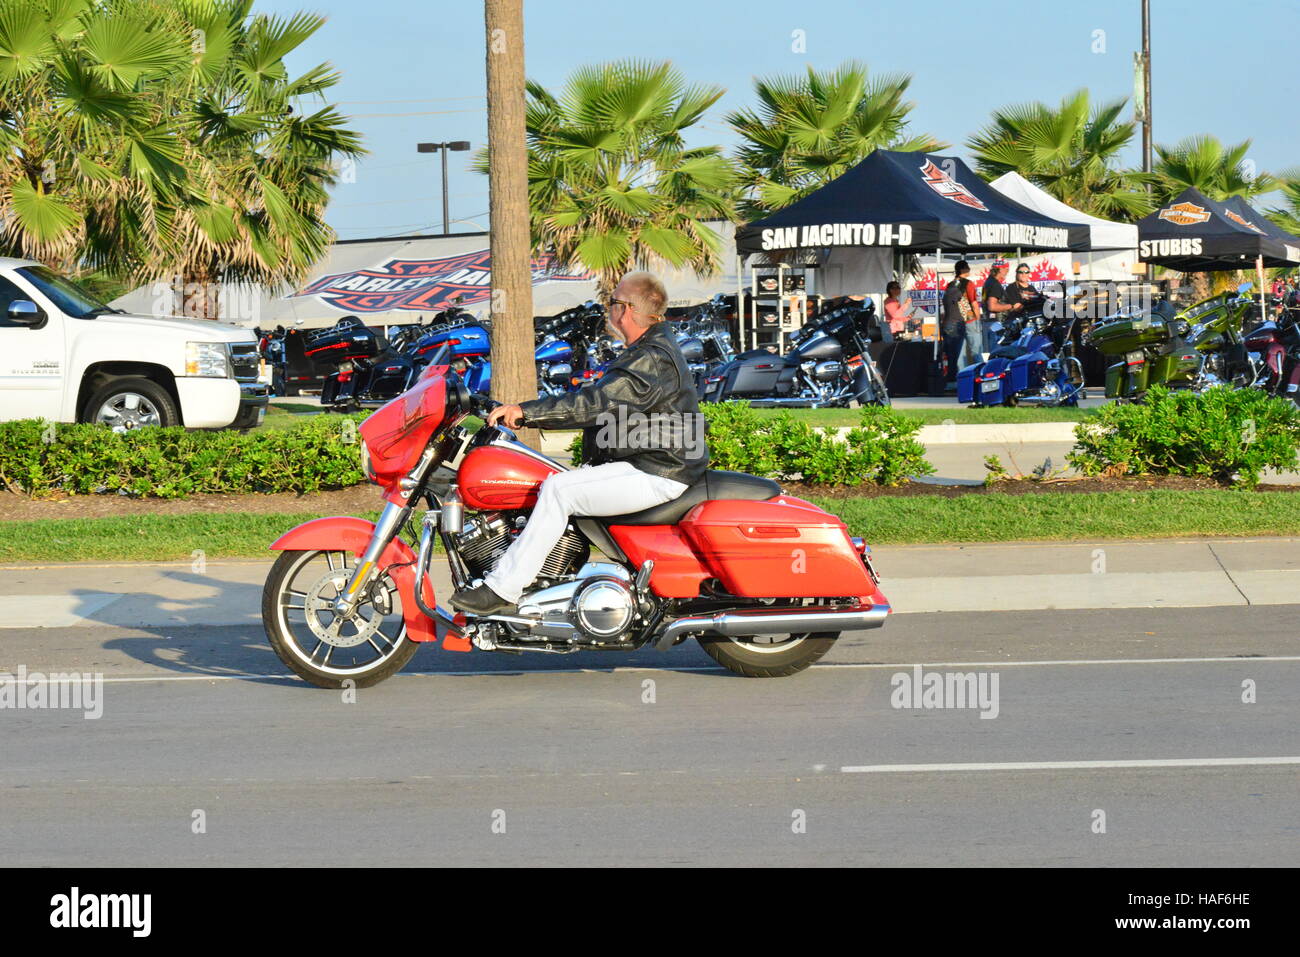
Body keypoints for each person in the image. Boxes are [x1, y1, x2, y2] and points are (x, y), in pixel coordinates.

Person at [450, 271, 709, 616]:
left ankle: (503, 589)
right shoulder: (648, 351)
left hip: (659, 471)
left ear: (626, 309)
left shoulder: (651, 358)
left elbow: (596, 404)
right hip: (652, 464)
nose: (607, 309)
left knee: (560, 489)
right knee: (561, 483)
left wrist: (525, 412)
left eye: (611, 302)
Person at [941, 261, 975, 381]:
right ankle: (962, 380)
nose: (969, 269)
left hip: (947, 322)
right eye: (968, 268)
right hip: (960, 322)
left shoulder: (949, 285)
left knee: (951, 355)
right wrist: (977, 319)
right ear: (963, 270)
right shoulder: (968, 284)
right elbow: (973, 303)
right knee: (962, 354)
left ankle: (951, 381)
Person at [981, 261, 1013, 353]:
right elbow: (992, 306)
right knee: (998, 354)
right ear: (1000, 269)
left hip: (989, 322)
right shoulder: (994, 284)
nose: (1007, 272)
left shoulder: (988, 282)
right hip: (995, 324)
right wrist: (1011, 306)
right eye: (1006, 270)